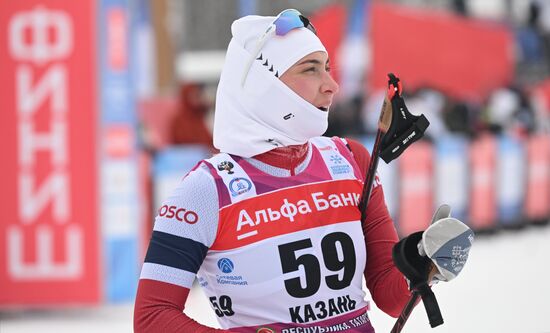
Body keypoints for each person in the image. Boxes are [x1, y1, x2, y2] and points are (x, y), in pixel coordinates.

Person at [134, 9, 472, 332]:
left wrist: (423, 261)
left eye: (327, 68)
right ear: (264, 82)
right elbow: (152, 318)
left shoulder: (350, 160)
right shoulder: (206, 190)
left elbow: (390, 296)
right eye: (310, 69)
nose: (331, 85)